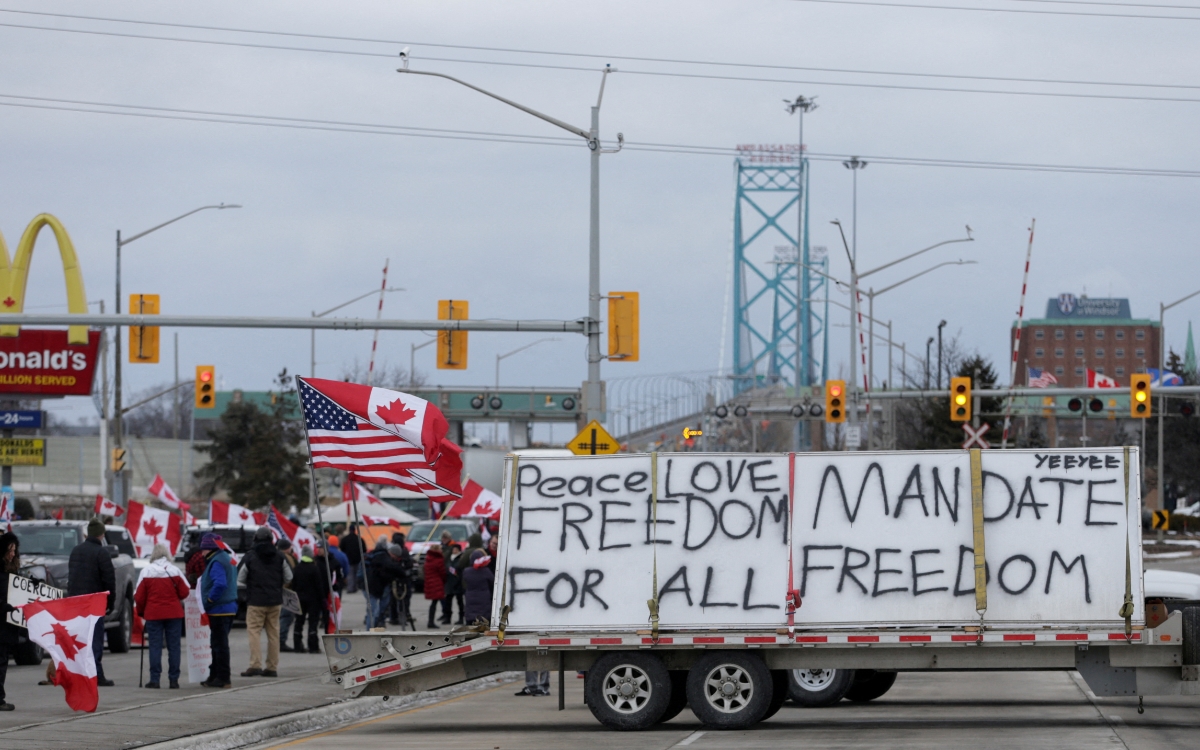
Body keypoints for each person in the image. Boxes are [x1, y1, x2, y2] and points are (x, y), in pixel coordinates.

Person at [133, 543, 190, 689]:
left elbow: (138, 597)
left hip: (153, 614)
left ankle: (155, 679)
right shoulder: (175, 570)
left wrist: (141, 611)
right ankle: (173, 680)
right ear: (167, 555)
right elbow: (185, 592)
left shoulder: (146, 571)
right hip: (174, 614)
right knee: (174, 647)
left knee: (155, 647)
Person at [237, 526, 292, 677]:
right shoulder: (280, 556)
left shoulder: (250, 556)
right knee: (273, 633)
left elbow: (240, 578)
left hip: (255, 601)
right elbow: (289, 577)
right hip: (275, 601)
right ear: (271, 539)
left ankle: (255, 665)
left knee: (254, 632)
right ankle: (272, 667)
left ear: (255, 539)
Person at [68, 518, 116, 687]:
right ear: (101, 534)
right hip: (95, 604)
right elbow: (109, 580)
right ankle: (96, 674)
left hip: (77, 603)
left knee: (80, 640)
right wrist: (110, 602)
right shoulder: (101, 553)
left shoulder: (76, 551)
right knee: (95, 640)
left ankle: (79, 673)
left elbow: (71, 579)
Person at [199, 533, 237, 688]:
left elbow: (220, 584)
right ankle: (214, 675)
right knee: (217, 643)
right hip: (229, 607)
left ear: (208, 548)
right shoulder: (227, 558)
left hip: (219, 609)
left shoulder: (216, 562)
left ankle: (223, 677)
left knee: (219, 645)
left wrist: (209, 599)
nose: (201, 553)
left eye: (202, 549)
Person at [290, 545, 329, 653]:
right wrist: (323, 599)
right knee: (313, 623)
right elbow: (319, 586)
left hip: (299, 600)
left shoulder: (297, 568)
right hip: (313, 600)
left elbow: (293, 585)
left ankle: (297, 646)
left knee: (299, 622)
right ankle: (313, 646)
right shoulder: (314, 568)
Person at [0, 532, 20, 710]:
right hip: (1, 624)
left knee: (2, 661)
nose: (13, 553)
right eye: (10, 549)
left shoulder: (12, 571)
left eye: (15, 550)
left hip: (6, 626)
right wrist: (4, 606)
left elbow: (21, 589)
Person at [275, 538, 299, 653]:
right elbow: (291, 575)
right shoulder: (287, 558)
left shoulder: (274, 556)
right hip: (286, 591)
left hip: (274, 591)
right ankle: (281, 641)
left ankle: (277, 641)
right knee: (286, 617)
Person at [363, 537, 391, 627]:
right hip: (377, 587)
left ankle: (371, 629)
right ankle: (376, 624)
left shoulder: (369, 557)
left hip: (368, 586)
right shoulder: (384, 558)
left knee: (372, 610)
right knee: (376, 610)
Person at [462, 549, 494, 628]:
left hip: (470, 598)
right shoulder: (486, 571)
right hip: (484, 599)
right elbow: (493, 582)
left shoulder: (466, 571)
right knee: (484, 621)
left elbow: (464, 584)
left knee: (470, 621)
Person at [422, 544, 447, 629]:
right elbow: (442, 572)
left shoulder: (428, 559)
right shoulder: (439, 560)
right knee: (435, 602)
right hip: (437, 583)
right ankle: (431, 621)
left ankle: (430, 621)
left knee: (434, 602)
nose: (441, 550)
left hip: (429, 582)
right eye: (440, 549)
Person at [340, 523, 363, 594]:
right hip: (358, 559)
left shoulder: (345, 539)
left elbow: (341, 548)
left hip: (348, 559)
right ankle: (355, 587)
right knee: (357, 574)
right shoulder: (359, 539)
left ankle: (350, 588)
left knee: (350, 575)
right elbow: (364, 549)